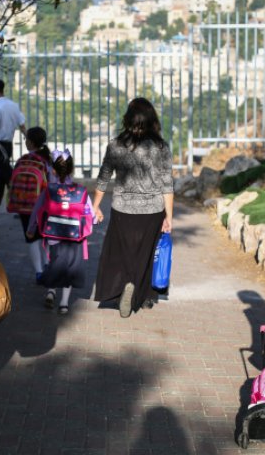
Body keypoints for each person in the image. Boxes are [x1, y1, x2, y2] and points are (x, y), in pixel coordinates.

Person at [92, 98, 173, 318]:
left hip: (122, 209)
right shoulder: (160, 147)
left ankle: (126, 286)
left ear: (128, 119)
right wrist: (169, 216)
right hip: (152, 210)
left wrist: (95, 206)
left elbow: (104, 177)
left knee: (122, 253)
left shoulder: (115, 144)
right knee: (146, 254)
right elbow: (167, 184)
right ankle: (144, 295)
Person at [26, 148, 95, 314]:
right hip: (74, 236)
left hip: (53, 233)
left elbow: (37, 211)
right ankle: (64, 303)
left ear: (53, 170)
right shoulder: (80, 190)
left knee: (53, 261)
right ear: (72, 169)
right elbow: (90, 213)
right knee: (69, 267)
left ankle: (51, 291)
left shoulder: (49, 190)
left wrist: (31, 229)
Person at [9, 127, 51, 282]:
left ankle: (39, 272)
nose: (25, 142)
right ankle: (48, 264)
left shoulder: (22, 160)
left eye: (26, 139)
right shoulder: (48, 160)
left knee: (32, 238)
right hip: (45, 205)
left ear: (31, 143)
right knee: (46, 236)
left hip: (25, 207)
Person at [0, 78, 26, 213]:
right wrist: (29, 138)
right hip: (8, 145)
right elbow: (22, 125)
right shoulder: (13, 105)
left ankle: (21, 203)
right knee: (2, 175)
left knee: (8, 175)